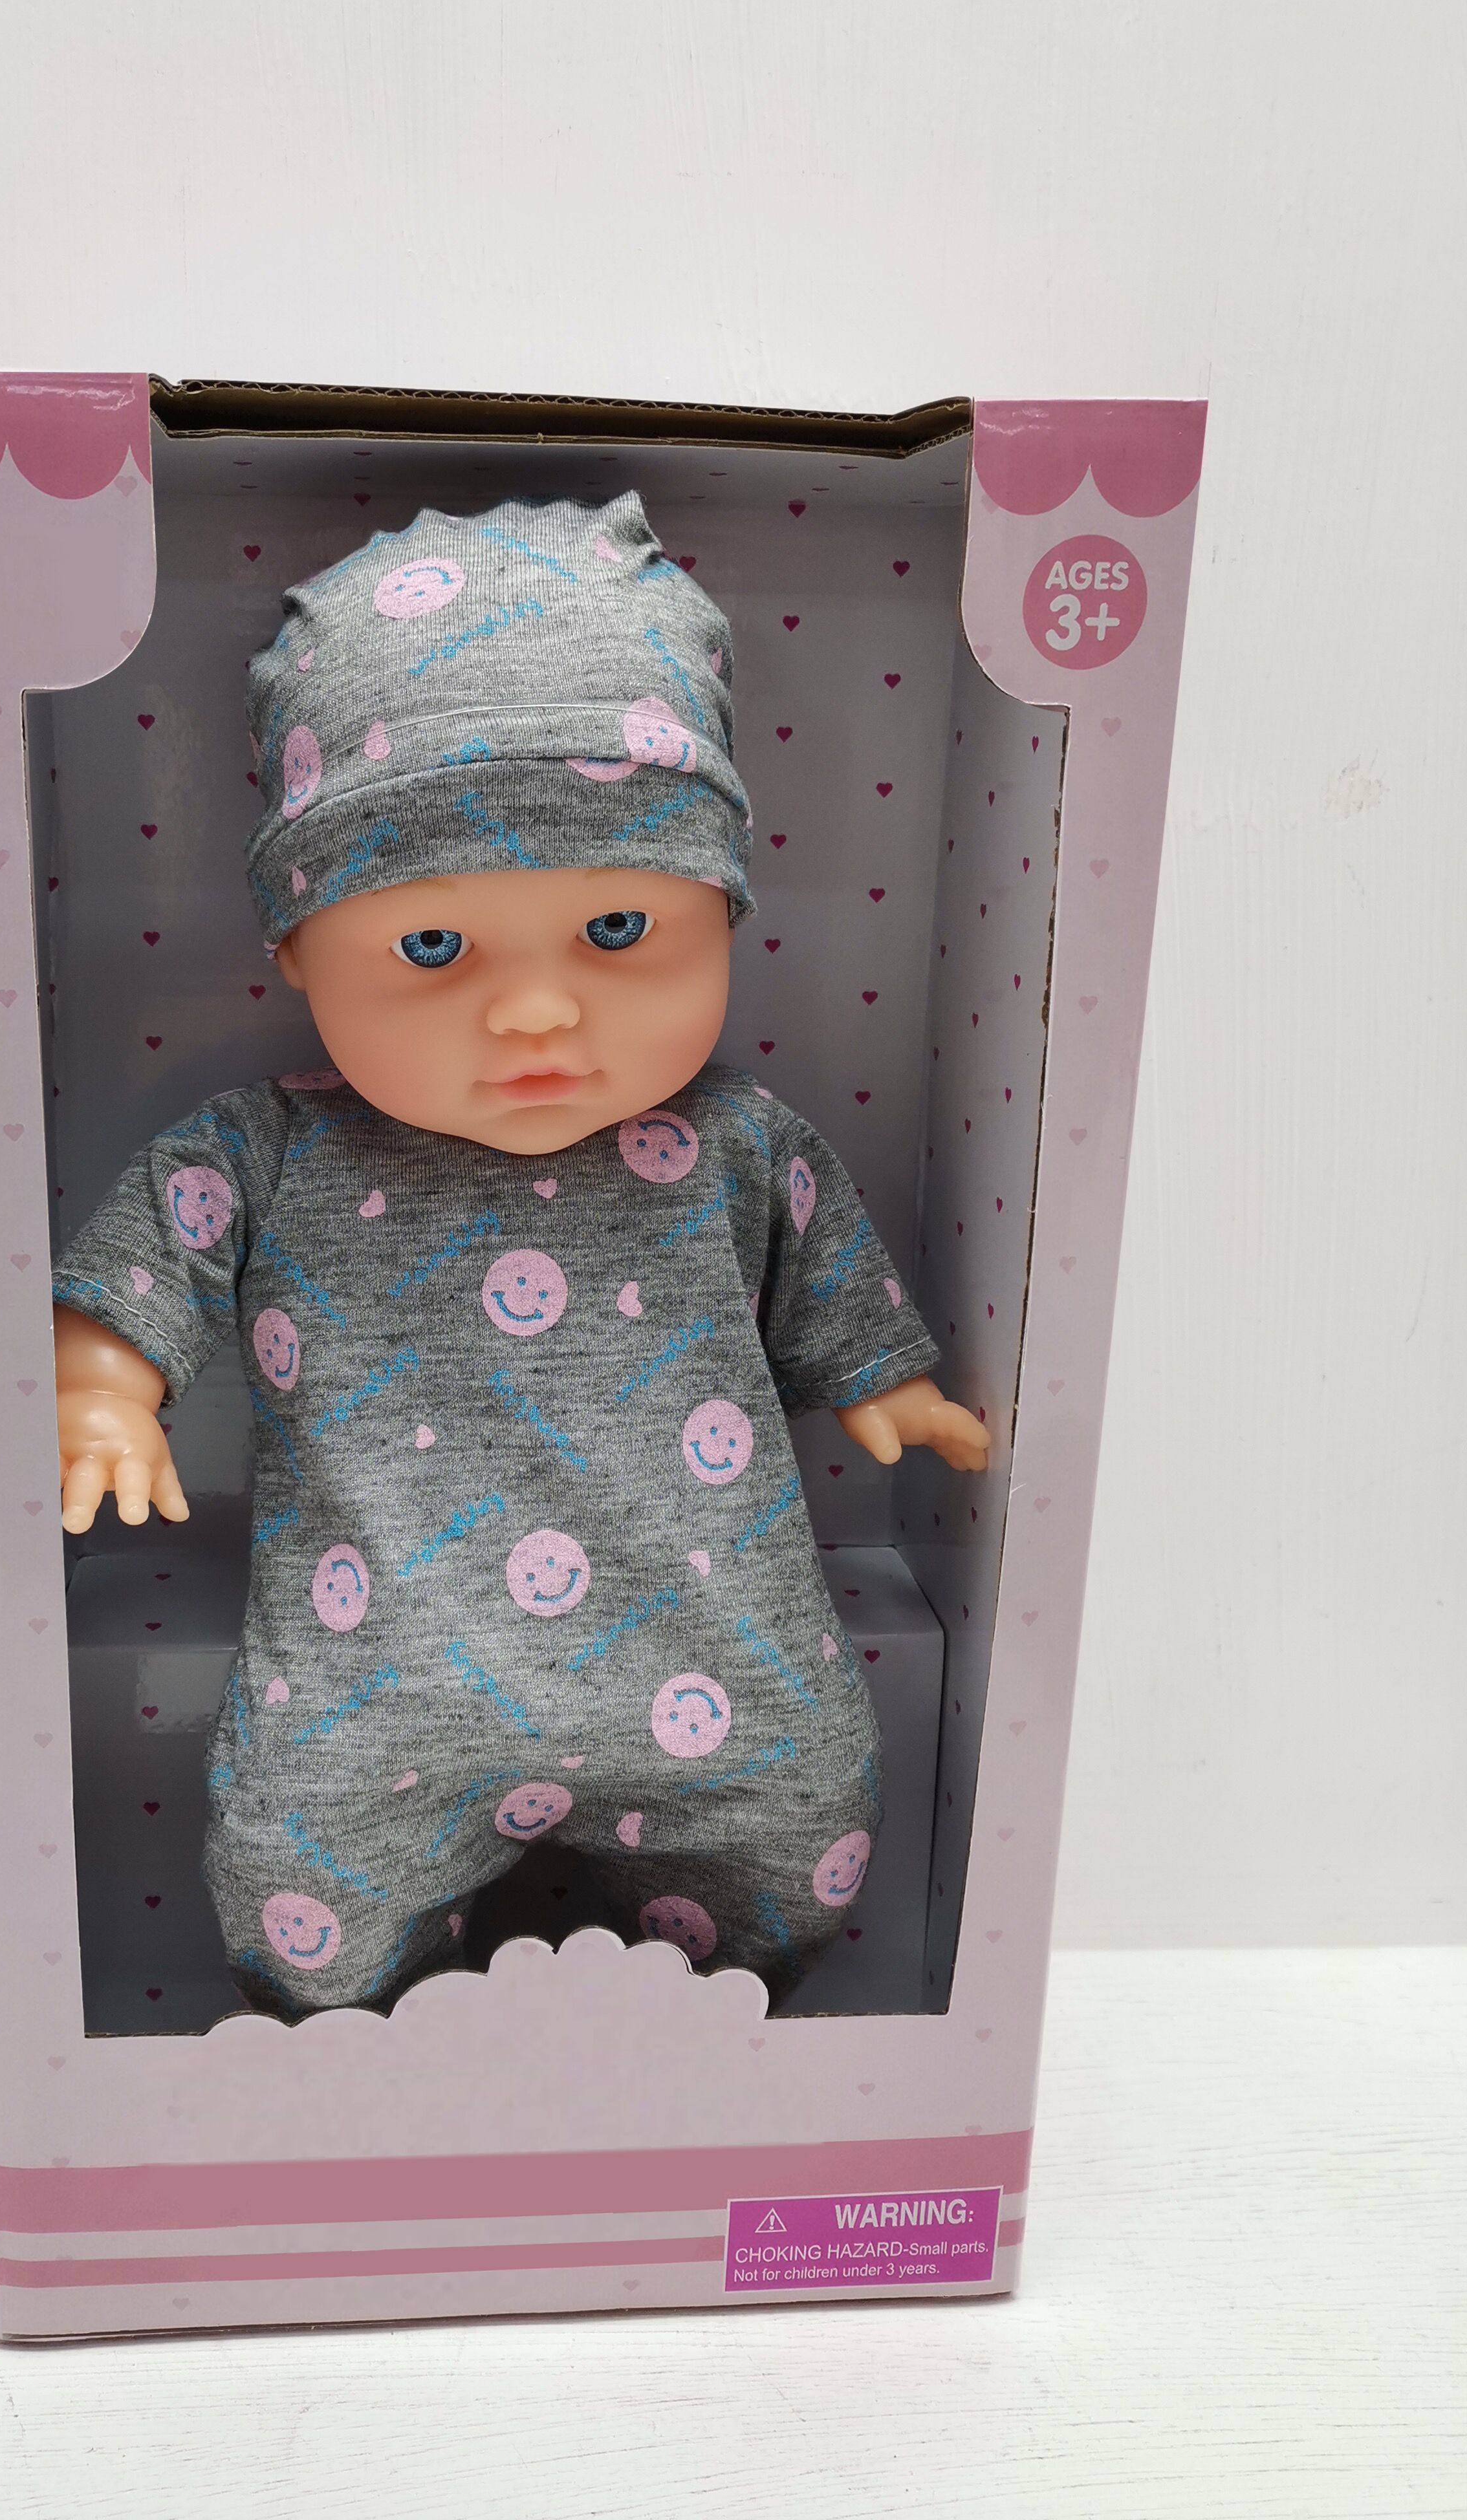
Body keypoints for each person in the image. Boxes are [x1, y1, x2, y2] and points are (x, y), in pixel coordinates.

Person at [51, 493, 986, 2016]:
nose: (539, 1012)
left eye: (618, 931)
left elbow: (826, 1275)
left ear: (724, 909)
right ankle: (344, 2029)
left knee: (809, 1819)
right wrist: (104, 1387)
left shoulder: (734, 1144)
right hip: (375, 1694)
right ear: (294, 948)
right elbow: (150, 1254)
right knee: (293, 1894)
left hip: (712, 1668)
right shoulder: (270, 1151)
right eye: (434, 947)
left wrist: (885, 1383)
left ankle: (732, 2010)